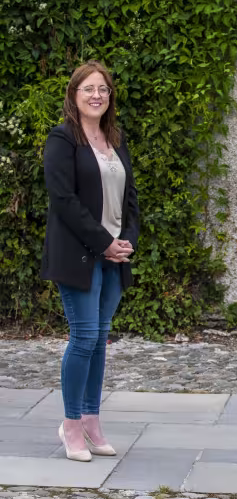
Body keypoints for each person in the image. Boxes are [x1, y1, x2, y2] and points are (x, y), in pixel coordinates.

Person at [41, 61, 139, 462]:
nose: (97, 95)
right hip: (79, 254)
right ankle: (70, 425)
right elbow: (63, 200)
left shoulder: (115, 139)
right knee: (83, 337)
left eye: (103, 89)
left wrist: (126, 241)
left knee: (100, 338)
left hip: (114, 256)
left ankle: (91, 420)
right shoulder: (62, 139)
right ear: (74, 95)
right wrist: (104, 243)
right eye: (89, 89)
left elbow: (130, 198)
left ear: (110, 96)